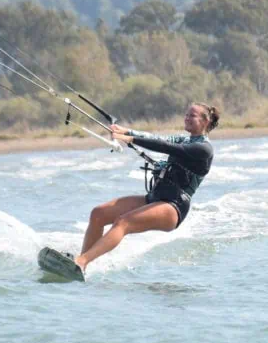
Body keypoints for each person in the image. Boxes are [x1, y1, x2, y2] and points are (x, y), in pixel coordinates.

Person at [73, 102, 219, 273]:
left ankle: (81, 262)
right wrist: (126, 131)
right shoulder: (185, 139)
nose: (186, 118)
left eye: (192, 116)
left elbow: (167, 147)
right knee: (98, 214)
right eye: (186, 114)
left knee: (123, 222)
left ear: (205, 121)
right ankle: (80, 266)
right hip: (155, 198)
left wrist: (131, 139)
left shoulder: (204, 149)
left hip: (174, 206)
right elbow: (157, 139)